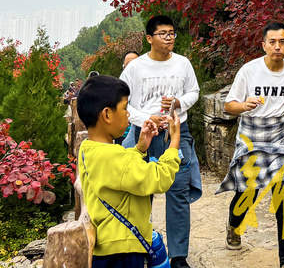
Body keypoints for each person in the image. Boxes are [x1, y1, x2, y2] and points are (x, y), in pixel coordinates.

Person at [217, 22, 284, 268]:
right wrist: (244, 105)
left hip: (280, 138)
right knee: (248, 192)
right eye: (272, 42)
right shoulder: (249, 71)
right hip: (251, 136)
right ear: (264, 45)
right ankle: (234, 225)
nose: (277, 47)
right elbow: (228, 106)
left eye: (282, 42)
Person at [119, 15, 202, 268]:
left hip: (177, 131)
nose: (169, 38)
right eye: (163, 34)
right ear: (149, 38)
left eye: (172, 33)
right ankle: (144, 247)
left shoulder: (183, 64)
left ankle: (178, 257)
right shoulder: (134, 68)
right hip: (145, 134)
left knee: (178, 192)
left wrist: (178, 103)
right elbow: (123, 105)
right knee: (143, 193)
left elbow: (194, 92)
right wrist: (147, 117)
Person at [77, 74, 181, 268]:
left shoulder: (89, 149)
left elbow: (121, 173)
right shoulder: (113, 156)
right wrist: (174, 143)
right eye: (124, 108)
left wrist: (140, 148)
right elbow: (159, 179)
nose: (128, 114)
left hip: (108, 246)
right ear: (107, 115)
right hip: (122, 251)